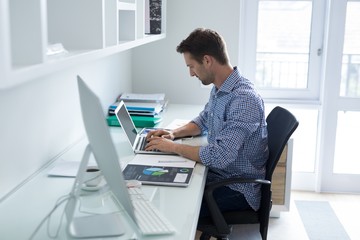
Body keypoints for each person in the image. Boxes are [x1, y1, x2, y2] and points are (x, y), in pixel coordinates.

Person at [145, 28, 268, 217]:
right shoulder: (221, 88)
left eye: (191, 66)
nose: (191, 74)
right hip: (218, 174)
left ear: (207, 60)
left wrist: (172, 147)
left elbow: (219, 156)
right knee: (164, 188)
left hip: (237, 188)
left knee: (172, 209)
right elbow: (203, 120)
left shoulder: (244, 100)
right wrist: (173, 134)